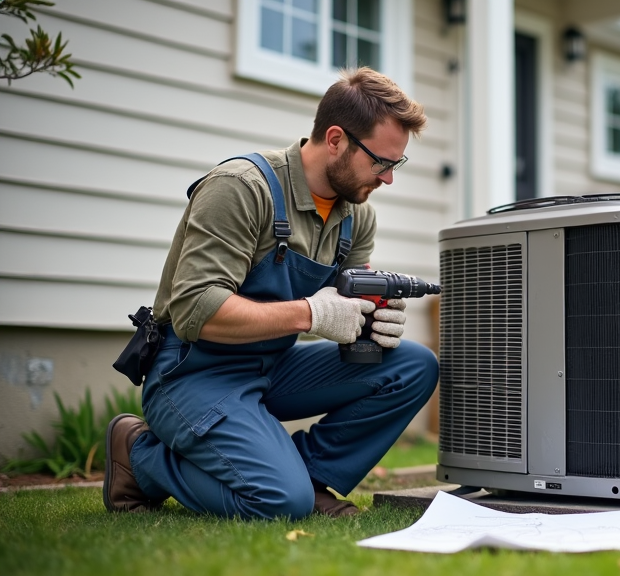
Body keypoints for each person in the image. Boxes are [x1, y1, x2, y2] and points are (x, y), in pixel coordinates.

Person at [103, 67, 438, 520]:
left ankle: (308, 477)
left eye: (395, 164)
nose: (387, 179)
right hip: (192, 372)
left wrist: (371, 321)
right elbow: (195, 309)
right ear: (336, 139)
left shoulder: (357, 218)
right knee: (280, 502)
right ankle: (140, 456)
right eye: (380, 161)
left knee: (413, 366)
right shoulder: (242, 187)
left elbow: (343, 308)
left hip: (273, 365)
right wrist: (311, 315)